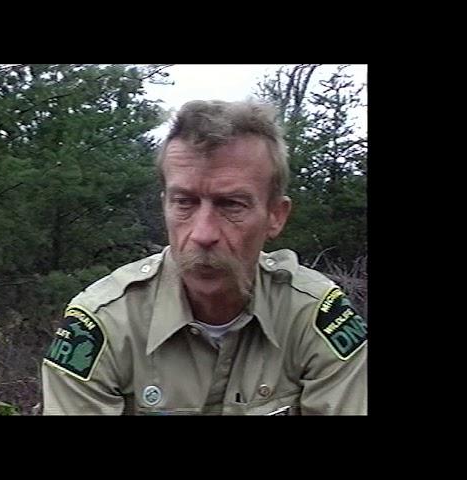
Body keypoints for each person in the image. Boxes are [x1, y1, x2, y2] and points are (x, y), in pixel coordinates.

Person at [42, 99, 367, 415]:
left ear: (275, 216)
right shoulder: (102, 324)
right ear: (165, 205)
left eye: (231, 205)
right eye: (184, 202)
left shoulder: (314, 317)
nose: (203, 233)